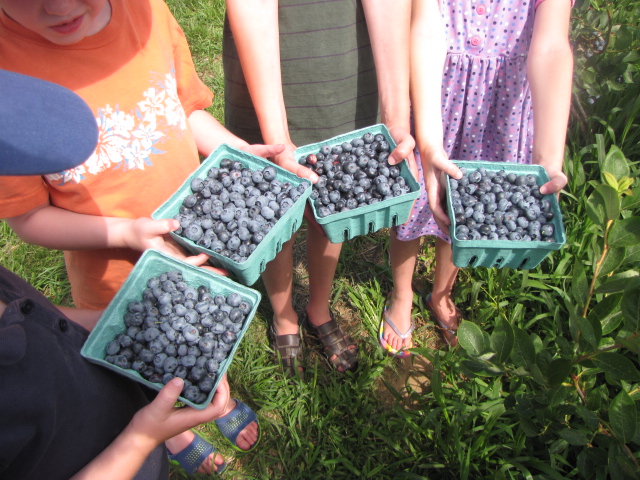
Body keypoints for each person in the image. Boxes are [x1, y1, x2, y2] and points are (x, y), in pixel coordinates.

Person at [0, 0, 264, 470]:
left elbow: (185, 110)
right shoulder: (7, 76)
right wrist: (127, 233)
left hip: (192, 242)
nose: (59, 5)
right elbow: (27, 216)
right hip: (112, 270)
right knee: (139, 353)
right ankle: (165, 426)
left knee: (202, 334)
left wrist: (240, 151)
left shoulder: (144, 14)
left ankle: (210, 393)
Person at [223, 0, 416, 374]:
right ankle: (283, 315)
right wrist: (277, 136)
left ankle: (318, 307)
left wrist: (395, 116)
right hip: (271, 52)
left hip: (344, 56)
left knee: (336, 199)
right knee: (274, 204)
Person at [386, 0, 573, 348]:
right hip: (437, 97)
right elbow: (425, 28)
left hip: (500, 111)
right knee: (414, 208)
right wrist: (429, 144)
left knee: (469, 210)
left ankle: (440, 294)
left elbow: (550, 47)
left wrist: (548, 159)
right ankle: (401, 295)